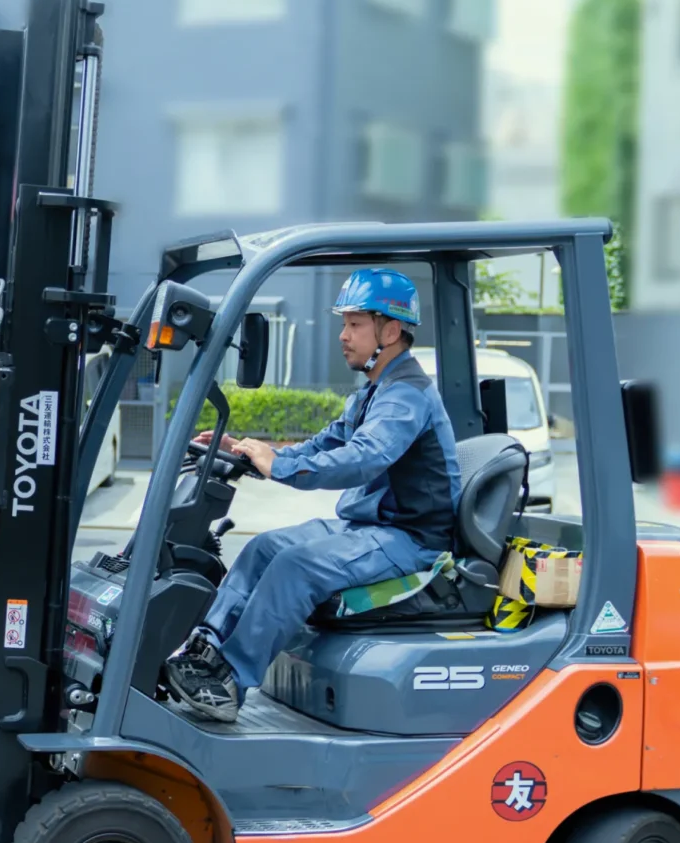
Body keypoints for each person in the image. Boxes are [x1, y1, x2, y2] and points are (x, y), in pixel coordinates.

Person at [163, 267, 461, 723]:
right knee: (265, 546)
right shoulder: (374, 391)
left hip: (410, 539)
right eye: (344, 323)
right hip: (370, 527)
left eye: (355, 324)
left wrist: (279, 466)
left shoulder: (406, 397)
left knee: (296, 567)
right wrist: (247, 449)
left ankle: (229, 682)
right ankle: (205, 651)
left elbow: (362, 458)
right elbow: (325, 445)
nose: (343, 335)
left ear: (392, 330)